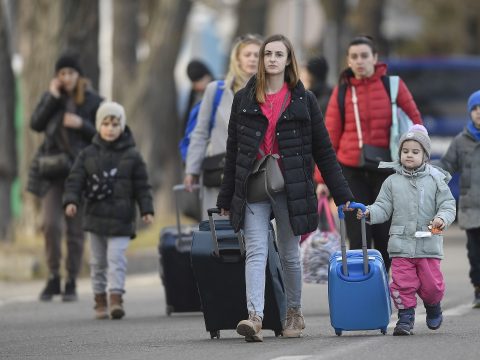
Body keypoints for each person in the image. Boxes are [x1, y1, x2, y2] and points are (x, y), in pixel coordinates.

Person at [216, 34, 354, 342]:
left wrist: (342, 195)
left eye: (279, 54)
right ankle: (255, 317)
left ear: (289, 60)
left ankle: (294, 313)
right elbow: (234, 152)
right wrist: (226, 196)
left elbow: (324, 151)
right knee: (256, 251)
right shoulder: (245, 97)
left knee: (290, 253)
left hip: (290, 187)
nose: (272, 59)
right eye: (268, 54)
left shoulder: (303, 99)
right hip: (252, 186)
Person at [315, 35, 423, 272]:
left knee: (384, 234)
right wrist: (322, 179)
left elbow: (416, 125)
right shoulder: (342, 91)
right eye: (354, 57)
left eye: (365, 56)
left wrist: (416, 161)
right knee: (358, 234)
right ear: (348, 61)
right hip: (351, 169)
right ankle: (360, 286)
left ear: (375, 58)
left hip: (387, 170)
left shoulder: (392, 85)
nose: (360, 61)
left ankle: (382, 284)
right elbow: (329, 137)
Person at [356, 124, 456, 336]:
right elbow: (383, 206)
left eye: (415, 151)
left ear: (426, 156)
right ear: (399, 153)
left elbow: (448, 205)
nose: (409, 155)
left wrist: (441, 218)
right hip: (401, 244)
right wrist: (369, 213)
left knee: (432, 287)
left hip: (428, 242)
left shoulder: (436, 180)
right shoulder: (392, 182)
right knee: (402, 284)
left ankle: (433, 305)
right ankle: (405, 317)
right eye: (405, 151)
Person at [63, 101, 154, 320]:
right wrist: (71, 201)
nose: (110, 128)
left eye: (115, 123)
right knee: (98, 261)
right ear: (98, 126)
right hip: (95, 217)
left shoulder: (132, 155)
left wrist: (146, 209)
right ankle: (99, 300)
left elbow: (142, 185)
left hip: (122, 218)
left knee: (116, 258)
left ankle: (115, 298)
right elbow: (75, 180)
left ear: (122, 126)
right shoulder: (87, 154)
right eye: (106, 123)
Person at [27, 53, 103, 302]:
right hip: (52, 172)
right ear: (57, 77)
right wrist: (52, 98)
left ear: (79, 75)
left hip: (78, 172)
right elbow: (35, 124)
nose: (67, 78)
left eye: (71, 73)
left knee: (74, 229)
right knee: (50, 224)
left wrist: (81, 124)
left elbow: (104, 136)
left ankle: (71, 279)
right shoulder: (52, 98)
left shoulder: (93, 101)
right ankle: (52, 277)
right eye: (62, 74)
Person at [184, 34, 263, 218]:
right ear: (237, 59)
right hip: (220, 174)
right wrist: (192, 170)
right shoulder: (216, 91)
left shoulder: (269, 93)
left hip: (257, 175)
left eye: (257, 55)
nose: (252, 59)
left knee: (254, 237)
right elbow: (200, 132)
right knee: (219, 236)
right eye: (247, 54)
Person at [432, 90, 480, 308]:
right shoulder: (461, 141)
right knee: (475, 255)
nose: (479, 113)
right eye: (475, 109)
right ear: (470, 113)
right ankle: (478, 288)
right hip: (472, 209)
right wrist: (427, 169)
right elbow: (447, 165)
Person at [182, 60, 214, 134]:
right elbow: (187, 121)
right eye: (195, 83)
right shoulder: (194, 95)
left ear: (207, 76)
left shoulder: (219, 90)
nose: (198, 85)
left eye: (200, 80)